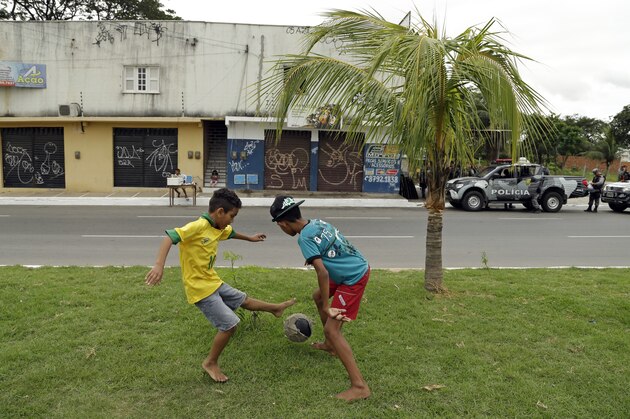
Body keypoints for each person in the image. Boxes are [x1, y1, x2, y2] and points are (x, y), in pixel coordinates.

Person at [145, 188, 296, 383]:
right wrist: (159, 265)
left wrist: (250, 238)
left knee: (244, 300)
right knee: (230, 325)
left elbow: (230, 233)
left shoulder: (218, 227)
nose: (232, 221)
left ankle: (276, 308)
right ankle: (210, 362)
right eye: (232, 216)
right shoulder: (198, 226)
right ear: (219, 212)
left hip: (212, 281)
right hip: (200, 289)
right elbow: (169, 237)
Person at [270, 195, 371, 401]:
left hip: (353, 277)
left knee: (331, 328)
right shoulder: (317, 223)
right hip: (349, 268)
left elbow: (322, 273)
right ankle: (330, 345)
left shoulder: (304, 238)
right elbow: (332, 244)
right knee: (317, 295)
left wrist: (327, 307)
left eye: (280, 227)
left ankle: (360, 386)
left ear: (282, 223)